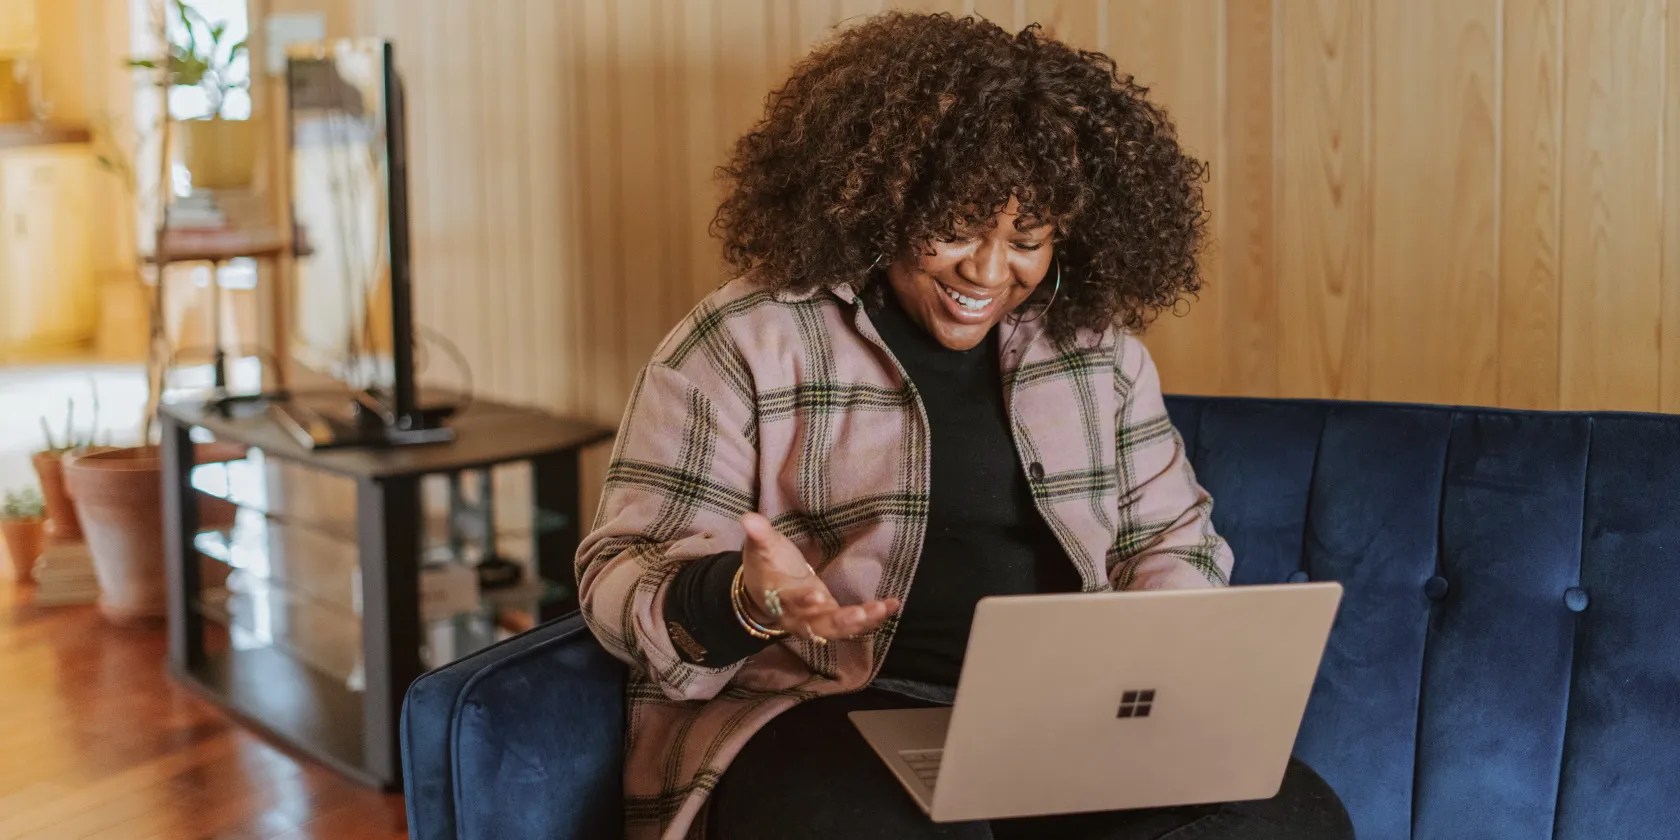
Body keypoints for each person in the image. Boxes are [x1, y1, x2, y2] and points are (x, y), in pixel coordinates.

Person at [577, 12, 1354, 840]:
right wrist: (745, 598)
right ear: (882, 201)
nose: (986, 272)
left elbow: (1172, 541)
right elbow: (618, 574)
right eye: (953, 230)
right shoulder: (747, 339)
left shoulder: (1100, 354)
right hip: (819, 710)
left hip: (1059, 722)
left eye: (1026, 239)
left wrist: (1152, 664)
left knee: (1292, 821)